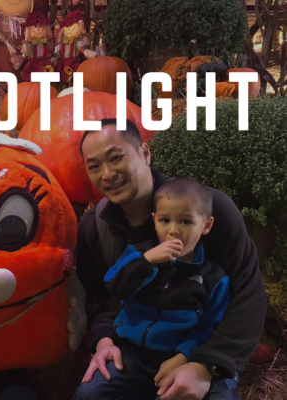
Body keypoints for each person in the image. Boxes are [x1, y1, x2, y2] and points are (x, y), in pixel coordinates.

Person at [75, 118, 265, 400]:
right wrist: (103, 339)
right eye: (94, 166)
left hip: (199, 348)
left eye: (116, 157)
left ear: (145, 153)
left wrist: (205, 365)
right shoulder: (95, 227)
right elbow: (98, 297)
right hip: (135, 351)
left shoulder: (209, 212)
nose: (107, 173)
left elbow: (248, 295)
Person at [75, 177, 231, 399]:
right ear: (154, 220)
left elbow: (210, 326)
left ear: (206, 225)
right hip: (130, 354)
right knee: (88, 394)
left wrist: (184, 355)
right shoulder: (136, 255)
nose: (173, 231)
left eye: (186, 222)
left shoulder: (214, 278)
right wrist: (145, 262)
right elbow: (114, 286)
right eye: (165, 220)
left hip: (178, 357)